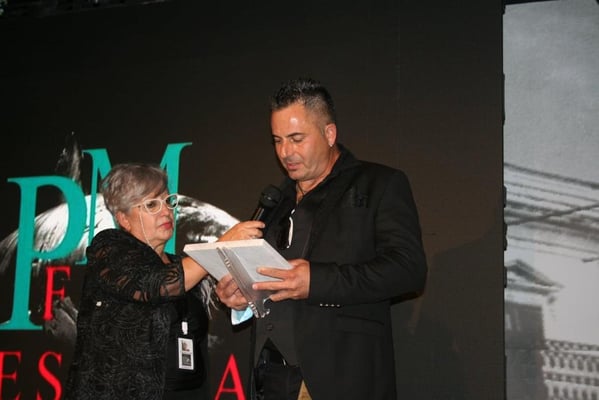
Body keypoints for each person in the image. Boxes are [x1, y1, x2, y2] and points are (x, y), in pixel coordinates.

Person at [216, 77, 428, 400]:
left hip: (339, 377)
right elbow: (267, 283)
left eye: (296, 139)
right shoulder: (275, 201)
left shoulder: (380, 184)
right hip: (268, 377)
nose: (285, 152)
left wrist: (316, 280)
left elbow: (409, 269)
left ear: (329, 134)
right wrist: (242, 295)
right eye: (277, 140)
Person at [64, 163, 264, 400]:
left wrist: (235, 299)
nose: (166, 212)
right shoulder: (108, 249)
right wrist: (221, 245)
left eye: (168, 201)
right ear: (123, 219)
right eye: (151, 205)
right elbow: (154, 286)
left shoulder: (182, 265)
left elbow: (217, 320)